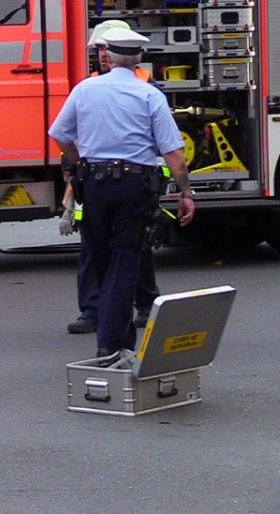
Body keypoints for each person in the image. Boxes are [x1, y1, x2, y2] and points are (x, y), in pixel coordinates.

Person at [48, 26, 195, 357]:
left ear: (109, 56)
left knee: (102, 261)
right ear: (139, 57)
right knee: (126, 261)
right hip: (134, 187)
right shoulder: (149, 95)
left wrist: (79, 161)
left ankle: (116, 339)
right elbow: (173, 153)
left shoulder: (85, 90)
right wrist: (186, 193)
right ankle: (112, 346)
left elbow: (59, 134)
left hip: (94, 186)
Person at [62, 20, 161, 335]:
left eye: (107, 48)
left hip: (131, 178)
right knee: (95, 247)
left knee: (135, 245)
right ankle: (94, 310)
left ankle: (143, 303)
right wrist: (71, 170)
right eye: (99, 48)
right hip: (96, 177)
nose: (103, 54)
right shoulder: (88, 86)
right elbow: (70, 133)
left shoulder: (147, 87)